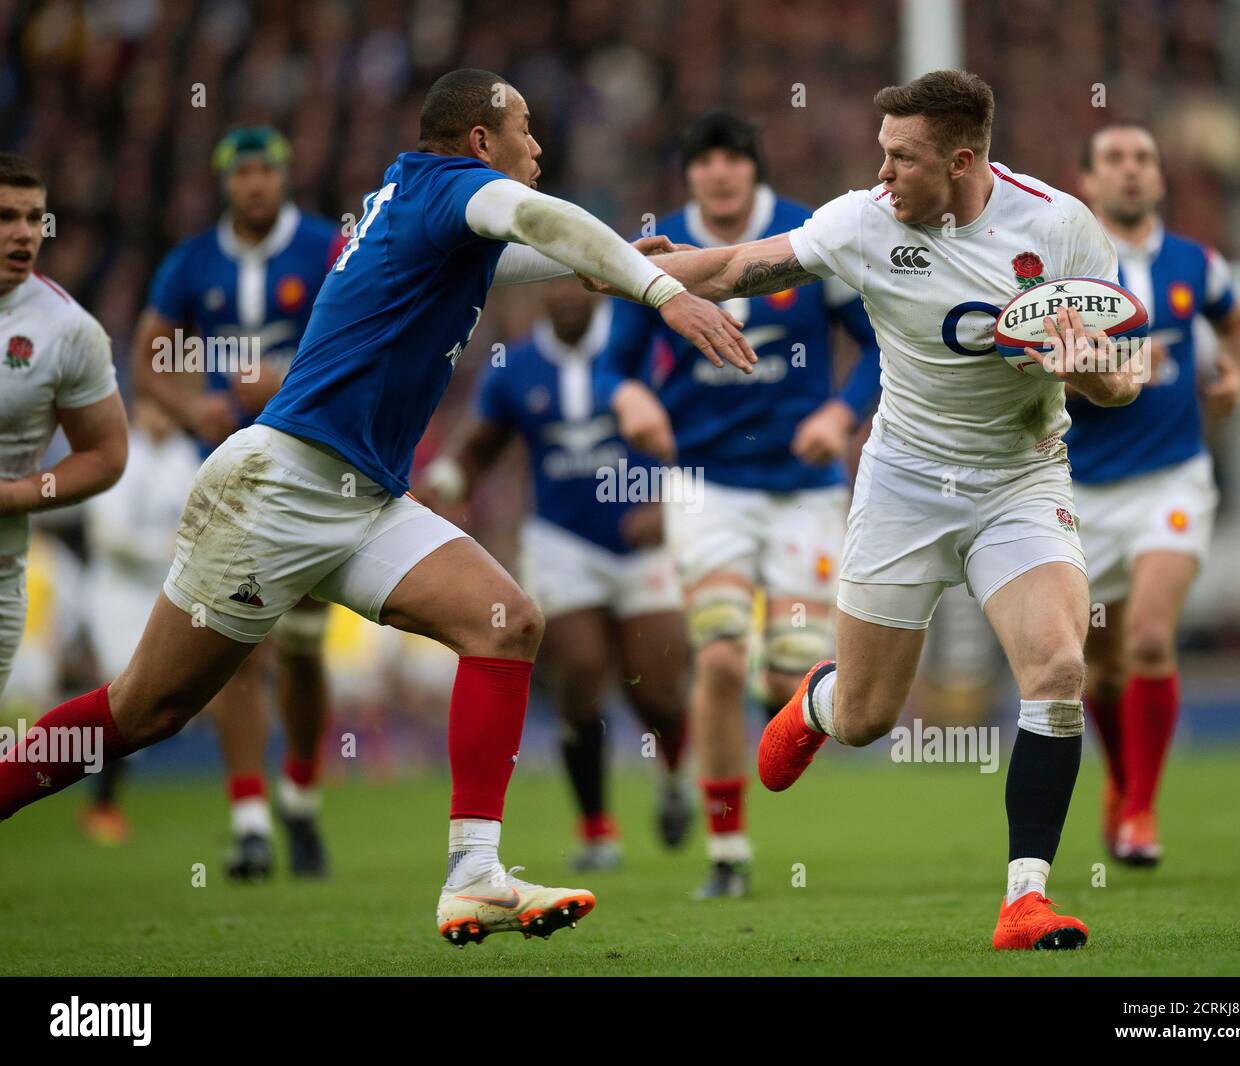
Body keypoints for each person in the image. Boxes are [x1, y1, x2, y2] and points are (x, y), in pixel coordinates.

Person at [0, 69, 755, 948]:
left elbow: (566, 253)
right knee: (146, 713)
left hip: (360, 497)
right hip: (277, 488)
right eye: (526, 129)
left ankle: (474, 872)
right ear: (481, 142)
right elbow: (545, 225)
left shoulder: (429, 203)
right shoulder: (453, 190)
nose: (539, 147)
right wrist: (661, 293)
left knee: (505, 621)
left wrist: (761, 259)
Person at [611, 70, 1144, 949]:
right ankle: (819, 704)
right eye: (882, 155)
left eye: (902, 159)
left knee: (1055, 668)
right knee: (866, 717)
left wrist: (1081, 367)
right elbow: (748, 264)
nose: (882, 174)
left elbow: (1125, 379)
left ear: (963, 160)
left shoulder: (1058, 227)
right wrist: (638, 275)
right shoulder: (864, 219)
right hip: (902, 483)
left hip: (1019, 479)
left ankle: (1025, 899)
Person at [594, 111, 881, 898]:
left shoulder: (805, 237)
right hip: (706, 484)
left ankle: (769, 716)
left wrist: (840, 414)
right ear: (689, 175)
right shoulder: (656, 253)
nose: (719, 173)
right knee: (718, 654)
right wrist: (629, 401)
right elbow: (608, 365)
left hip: (801, 489)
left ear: (753, 169)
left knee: (792, 671)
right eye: (704, 160)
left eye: (732, 159)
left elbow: (880, 342)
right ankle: (727, 852)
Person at [132, 126, 341, 879]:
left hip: (316, 467)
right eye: (242, 171)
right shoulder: (192, 262)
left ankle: (304, 797)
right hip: (229, 478)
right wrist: (192, 410)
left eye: (267, 170)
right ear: (226, 181)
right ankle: (251, 822)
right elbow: (150, 352)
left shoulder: (324, 248)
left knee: (307, 653)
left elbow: (363, 330)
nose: (255, 184)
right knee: (237, 650)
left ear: (286, 177)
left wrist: (284, 383)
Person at [426, 279, 691, 871]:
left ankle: (674, 777)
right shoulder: (517, 367)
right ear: (536, 294)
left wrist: (669, 502)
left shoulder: (638, 351)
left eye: (577, 280)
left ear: (596, 286)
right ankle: (597, 830)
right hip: (560, 543)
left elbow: (697, 431)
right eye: (554, 283)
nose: (567, 295)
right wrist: (447, 481)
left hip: (645, 545)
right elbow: (481, 447)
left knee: (660, 687)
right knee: (580, 672)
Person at [1071, 123, 1240, 866]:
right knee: (1099, 667)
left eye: (1143, 157)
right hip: (1079, 489)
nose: (1130, 170)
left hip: (1171, 478)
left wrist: (1237, 372)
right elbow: (1024, 364)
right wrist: (1102, 365)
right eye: (1112, 157)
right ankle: (1123, 778)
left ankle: (1142, 812)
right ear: (1086, 181)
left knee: (1150, 638)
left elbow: (1238, 326)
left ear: (1159, 176)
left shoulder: (1196, 264)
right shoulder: (1062, 273)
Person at [0, 152, 127, 698]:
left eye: (34, 217)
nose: (24, 232)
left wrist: (21, 494)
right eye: (6, 217)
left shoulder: (69, 331)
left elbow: (106, 454)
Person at [80, 396, 199, 844]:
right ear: (137, 408)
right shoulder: (120, 455)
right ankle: (102, 805)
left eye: (168, 407)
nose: (162, 415)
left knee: (155, 700)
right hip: (114, 597)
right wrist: (160, 548)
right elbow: (105, 535)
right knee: (121, 696)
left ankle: (106, 802)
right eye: (154, 406)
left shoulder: (186, 457)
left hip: (162, 594)